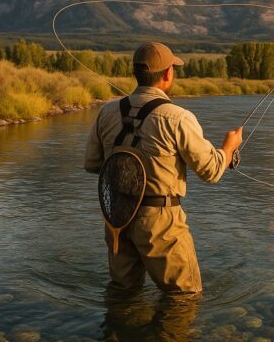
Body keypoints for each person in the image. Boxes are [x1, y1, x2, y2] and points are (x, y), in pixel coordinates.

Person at [84, 41, 243, 292]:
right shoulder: (177, 117)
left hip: (117, 216)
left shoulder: (107, 112)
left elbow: (93, 165)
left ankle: (118, 331)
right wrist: (228, 147)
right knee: (184, 297)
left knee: (123, 294)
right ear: (168, 74)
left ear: (136, 73)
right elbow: (211, 171)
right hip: (161, 222)